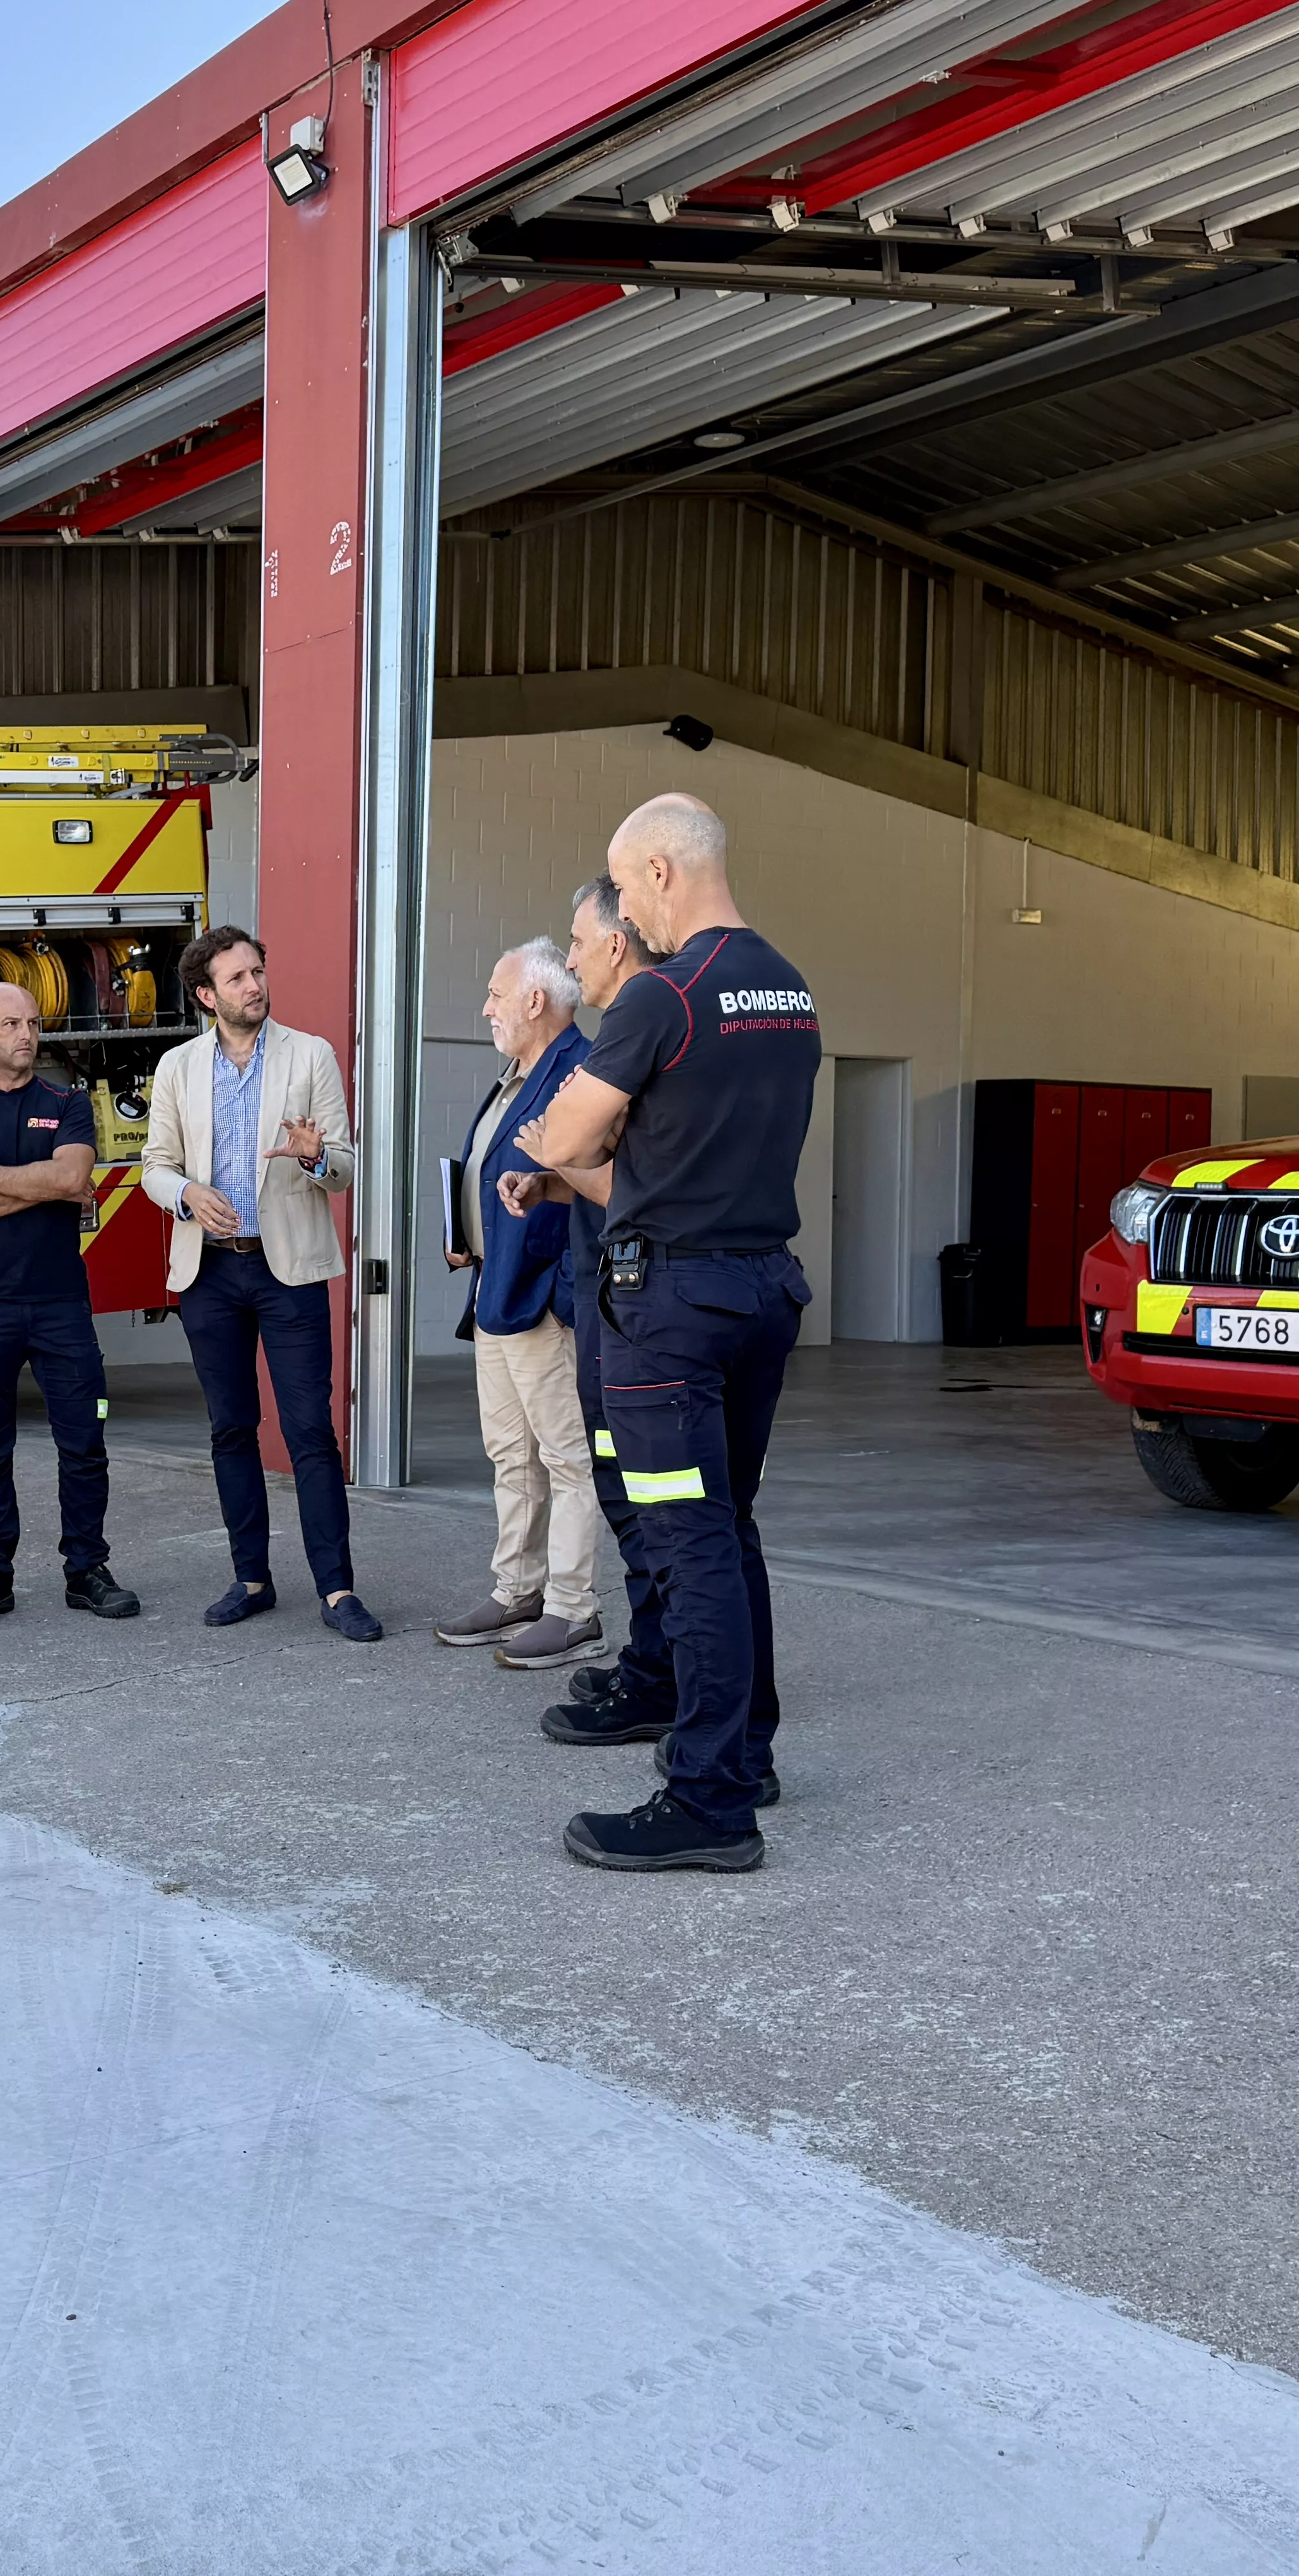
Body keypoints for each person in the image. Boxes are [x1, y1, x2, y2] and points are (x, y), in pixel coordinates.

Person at [531, 797, 816, 1873]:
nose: (626, 916)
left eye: (623, 884)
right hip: (760, 1292)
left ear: (657, 871)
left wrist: (587, 1138)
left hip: (669, 1312)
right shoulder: (788, 988)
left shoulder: (663, 992)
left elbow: (562, 1131)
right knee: (727, 1530)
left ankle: (706, 1797)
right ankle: (746, 1751)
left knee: (684, 1541)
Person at [138, 926, 380, 1642]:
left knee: (310, 1430)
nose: (255, 986)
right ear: (207, 996)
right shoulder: (178, 1067)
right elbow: (154, 1163)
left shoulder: (311, 1055)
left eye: (257, 972)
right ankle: (251, 1578)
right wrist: (185, 1194)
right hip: (210, 1270)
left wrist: (314, 1158)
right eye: (237, 979)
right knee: (231, 1428)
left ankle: (337, 1590)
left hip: (290, 1272)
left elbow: (344, 1167)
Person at [509, 878, 687, 1747]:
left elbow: (629, 1186)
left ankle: (672, 1680)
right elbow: (594, 1166)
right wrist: (549, 1173)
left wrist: (561, 1153)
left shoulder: (643, 1032)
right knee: (631, 1501)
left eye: (579, 942)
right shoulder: (622, 1040)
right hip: (604, 1299)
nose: (571, 958)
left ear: (618, 944)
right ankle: (653, 1664)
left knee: (657, 1511)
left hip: (641, 1308)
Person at [0, 980, 144, 1630]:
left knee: (84, 1442)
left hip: (58, 1303)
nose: (26, 1034)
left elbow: (73, 1179)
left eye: (32, 1022)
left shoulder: (69, 1102)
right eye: (11, 1024)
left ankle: (87, 1570)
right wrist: (44, 1186)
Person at [437, 939, 601, 1669]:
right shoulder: (517, 1076)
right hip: (495, 1289)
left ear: (536, 1001)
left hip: (541, 1301)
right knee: (511, 1457)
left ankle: (574, 1608)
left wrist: (565, 1299)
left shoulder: (580, 1073)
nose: (486, 1008)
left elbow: (593, 1190)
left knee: (565, 1460)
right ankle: (518, 1590)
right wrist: (466, 1235)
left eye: (496, 995)